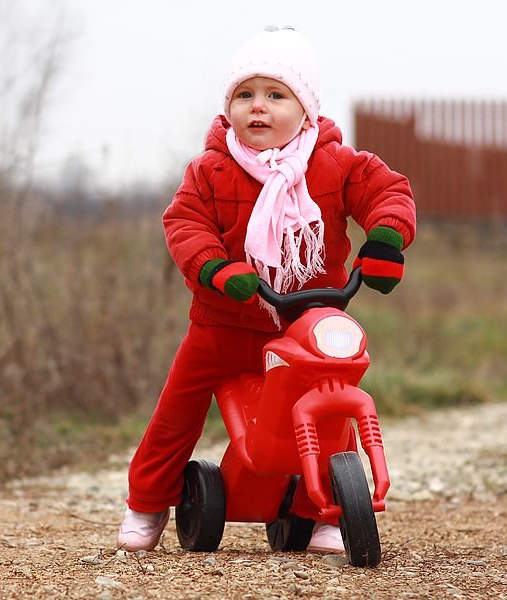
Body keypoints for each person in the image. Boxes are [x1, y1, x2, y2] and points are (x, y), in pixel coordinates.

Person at [117, 26, 416, 554]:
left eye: (276, 95)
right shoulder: (210, 170)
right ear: (228, 105)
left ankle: (323, 510)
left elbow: (386, 191)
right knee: (178, 409)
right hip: (225, 322)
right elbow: (186, 224)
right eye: (244, 95)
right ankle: (147, 503)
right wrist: (217, 269)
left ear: (306, 108)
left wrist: (386, 242)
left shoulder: (336, 164)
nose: (258, 107)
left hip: (308, 322)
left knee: (332, 401)